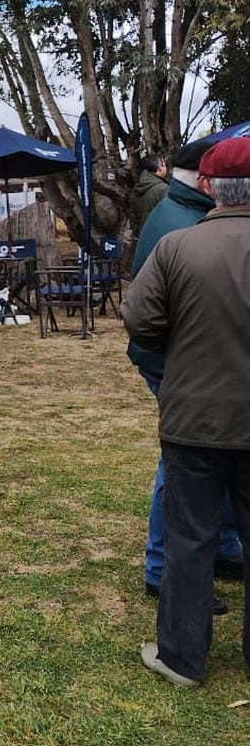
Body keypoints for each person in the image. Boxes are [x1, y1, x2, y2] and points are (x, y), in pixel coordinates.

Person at [123, 136, 250, 686]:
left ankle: (181, 657)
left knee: (189, 538)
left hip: (194, 419)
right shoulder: (179, 243)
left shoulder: (177, 247)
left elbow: (140, 322)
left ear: (206, 185)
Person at [130, 153, 168, 236]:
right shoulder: (163, 189)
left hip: (142, 237)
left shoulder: (136, 188)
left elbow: (133, 219)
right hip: (159, 238)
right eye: (164, 165)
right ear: (160, 169)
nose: (166, 168)